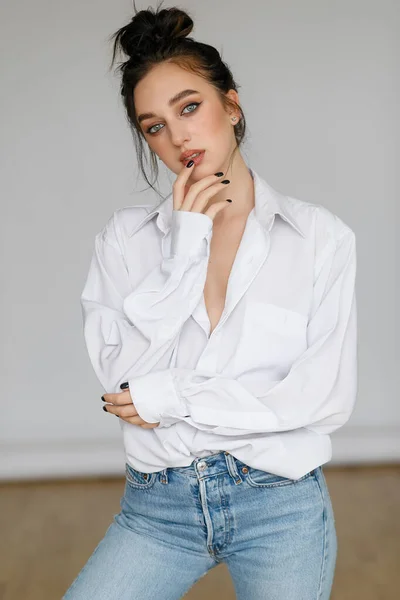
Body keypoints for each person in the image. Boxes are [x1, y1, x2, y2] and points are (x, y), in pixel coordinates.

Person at [63, 2, 357, 599]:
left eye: (189, 107)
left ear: (231, 104)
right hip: (158, 509)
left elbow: (320, 399)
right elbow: (124, 385)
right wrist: (185, 247)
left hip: (280, 507)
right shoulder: (123, 242)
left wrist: (173, 395)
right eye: (153, 126)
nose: (176, 137)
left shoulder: (321, 238)